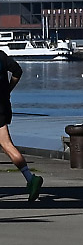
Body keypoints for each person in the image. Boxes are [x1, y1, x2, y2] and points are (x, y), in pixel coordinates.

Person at [0, 50, 43, 202]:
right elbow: (17, 71)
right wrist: (8, 90)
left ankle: (31, 179)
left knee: (6, 144)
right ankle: (30, 178)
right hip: (3, 106)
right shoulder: (1, 56)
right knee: (7, 145)